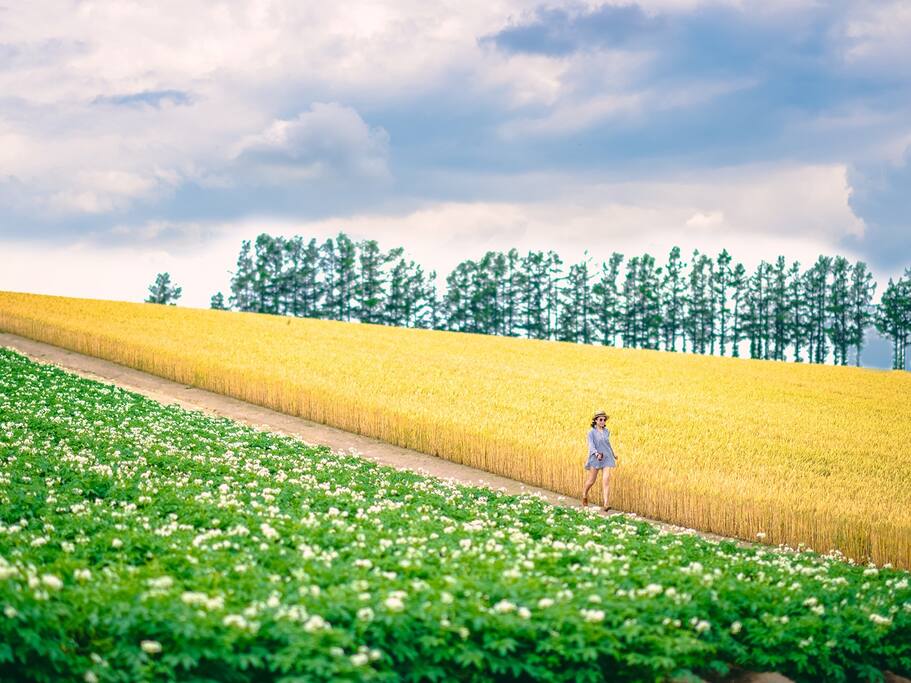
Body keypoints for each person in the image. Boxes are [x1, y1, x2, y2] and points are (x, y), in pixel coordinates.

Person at [582, 410, 619, 511]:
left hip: (607, 457)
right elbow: (591, 445)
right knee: (591, 481)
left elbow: (608, 443)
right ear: (596, 420)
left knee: (606, 479)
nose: (603, 421)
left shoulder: (607, 431)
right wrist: (596, 454)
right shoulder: (591, 433)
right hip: (596, 457)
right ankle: (584, 494)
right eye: (601, 420)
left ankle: (606, 503)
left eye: (604, 420)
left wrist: (613, 453)